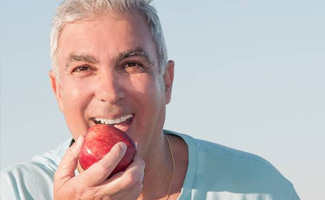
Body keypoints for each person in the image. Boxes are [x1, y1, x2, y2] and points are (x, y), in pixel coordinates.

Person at [1, 0, 300, 199]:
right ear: (58, 91)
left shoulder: (257, 188)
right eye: (83, 68)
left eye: (131, 64)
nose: (109, 91)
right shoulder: (15, 191)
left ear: (166, 81)